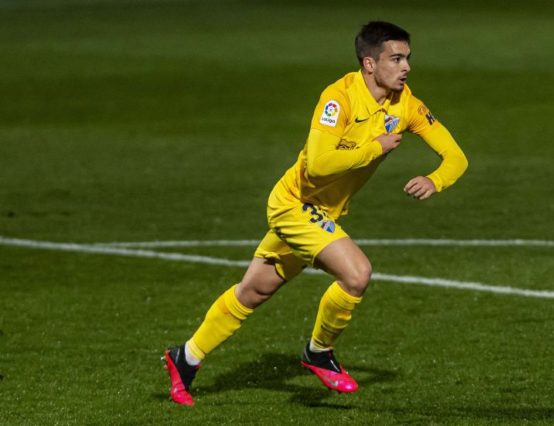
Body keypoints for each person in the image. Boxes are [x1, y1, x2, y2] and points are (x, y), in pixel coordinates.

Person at [163, 21, 468, 406]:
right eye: (396, 58)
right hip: (294, 205)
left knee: (254, 291)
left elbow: (456, 157)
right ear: (369, 63)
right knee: (357, 274)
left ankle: (185, 358)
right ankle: (318, 351)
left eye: (407, 57)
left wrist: (435, 179)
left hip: (323, 211)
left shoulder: (405, 104)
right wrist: (373, 148)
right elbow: (320, 166)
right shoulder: (337, 100)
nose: (406, 67)